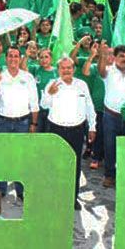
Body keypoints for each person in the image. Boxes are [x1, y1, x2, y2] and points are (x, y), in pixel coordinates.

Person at [41, 57, 96, 210]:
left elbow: (89, 106)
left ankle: (73, 198)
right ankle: (55, 196)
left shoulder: (82, 85)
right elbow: (43, 105)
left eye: (69, 68)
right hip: (56, 130)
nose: (66, 71)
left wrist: (93, 126)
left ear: (74, 69)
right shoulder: (52, 85)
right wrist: (49, 94)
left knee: (75, 165)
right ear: (58, 70)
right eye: (63, 68)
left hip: (77, 130)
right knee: (56, 165)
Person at [0, 45, 39, 201]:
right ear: (6, 58)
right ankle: (1, 189)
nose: (13, 59)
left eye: (16, 56)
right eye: (10, 56)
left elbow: (34, 103)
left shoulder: (27, 77)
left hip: (23, 122)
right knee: (2, 156)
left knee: (21, 158)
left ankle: (21, 190)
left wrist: (33, 124)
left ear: (19, 58)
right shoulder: (0, 76)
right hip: (3, 122)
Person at [98, 44, 125, 188]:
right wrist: (102, 55)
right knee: (109, 147)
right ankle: (109, 176)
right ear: (114, 57)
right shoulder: (109, 71)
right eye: (121, 56)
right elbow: (100, 71)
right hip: (110, 116)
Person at [25, 48, 57, 132]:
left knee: (49, 136)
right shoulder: (35, 69)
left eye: (46, 57)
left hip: (52, 110)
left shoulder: (57, 71)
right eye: (41, 57)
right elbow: (23, 69)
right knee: (36, 135)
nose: (44, 60)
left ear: (51, 58)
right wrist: (26, 56)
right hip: (37, 110)